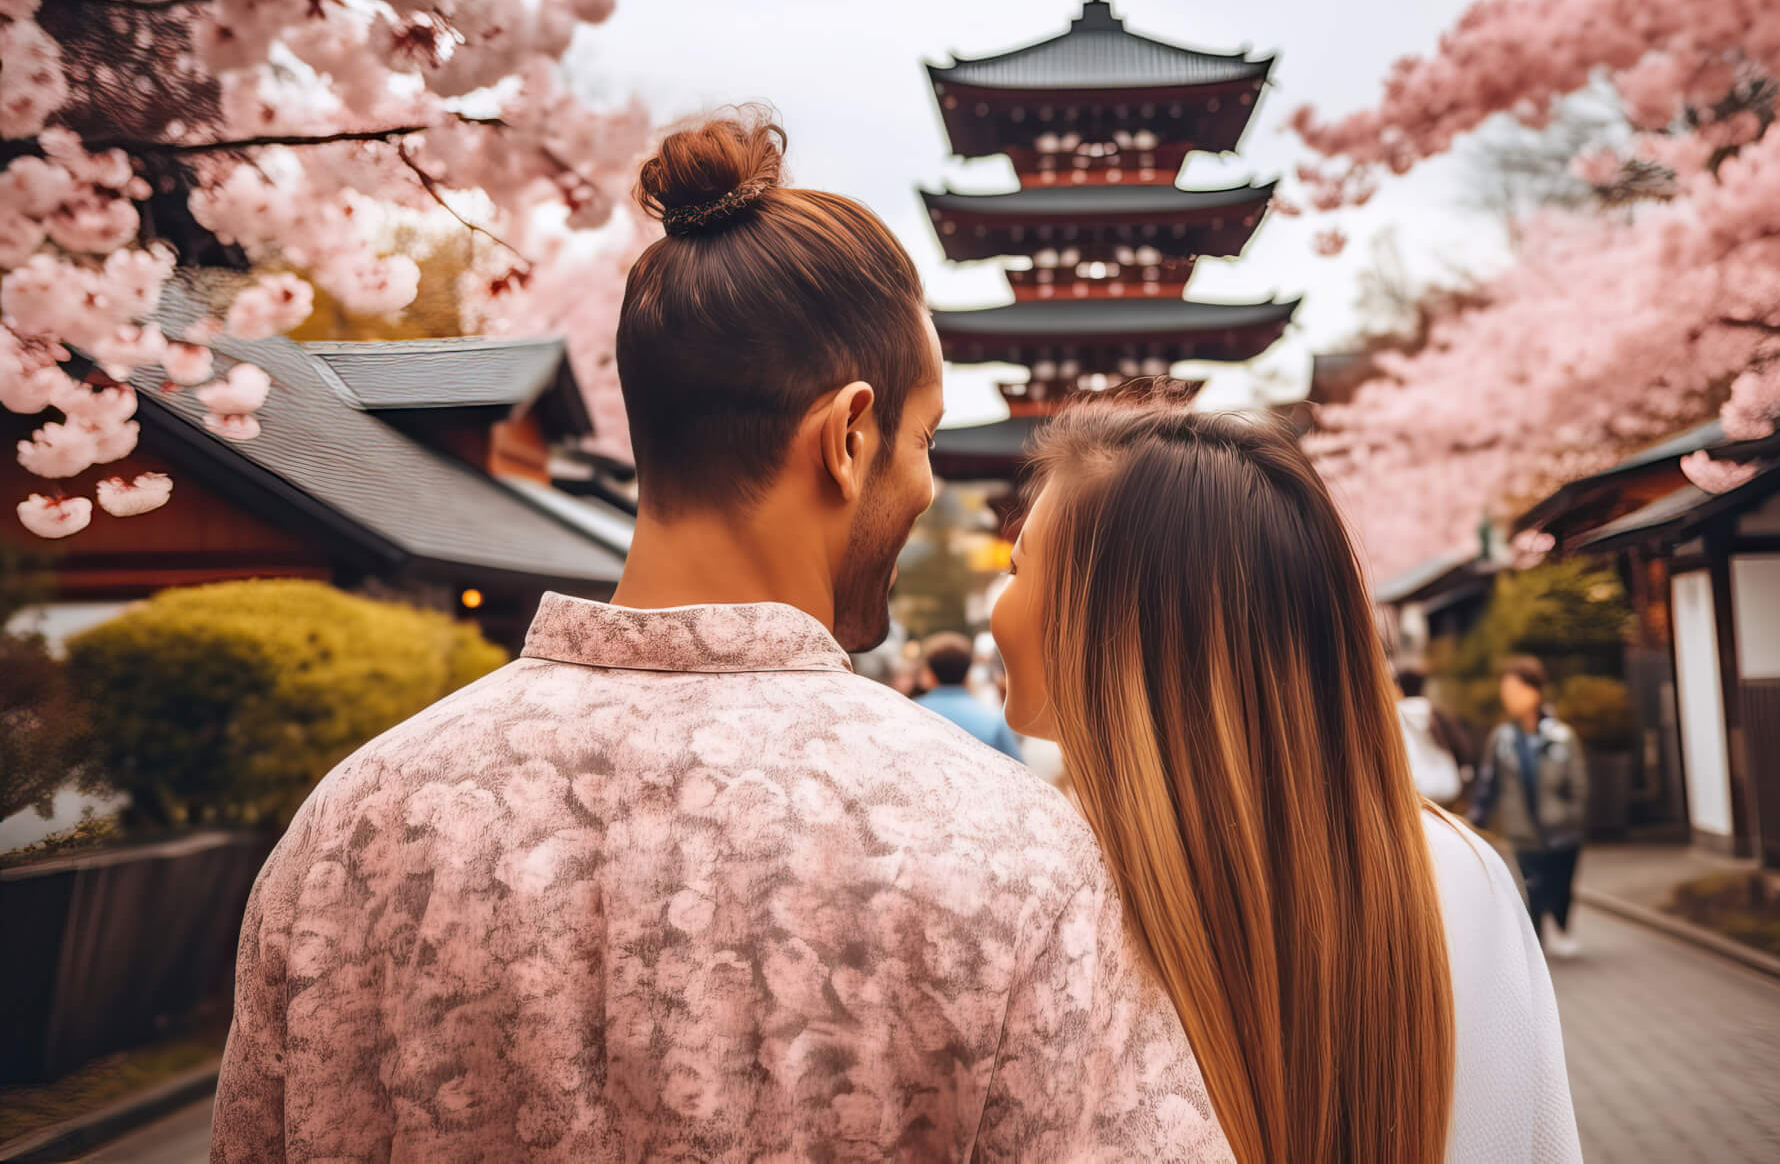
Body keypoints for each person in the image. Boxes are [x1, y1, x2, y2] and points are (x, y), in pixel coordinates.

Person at [211, 111, 1228, 1162]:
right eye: (920, 440)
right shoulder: (1006, 855)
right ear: (847, 436)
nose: (928, 485)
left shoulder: (354, 827)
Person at [991, 395, 1580, 1164]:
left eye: (1016, 567)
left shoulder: (1043, 889)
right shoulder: (1466, 875)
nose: (1000, 605)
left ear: (1111, 620)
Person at [1469, 655, 1590, 961]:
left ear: (1534, 690)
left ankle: (1561, 928)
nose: (1507, 696)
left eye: (1514, 689)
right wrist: (1472, 823)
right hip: (1523, 832)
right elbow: (1487, 784)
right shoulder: (1502, 739)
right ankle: (1536, 950)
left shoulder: (1562, 736)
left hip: (1562, 831)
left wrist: (1572, 818)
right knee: (1531, 891)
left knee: (1561, 887)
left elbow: (1579, 784)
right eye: (1505, 690)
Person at [913, 630, 1025, 761]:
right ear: (968, 674)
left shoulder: (906, 714)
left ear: (929, 675)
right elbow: (1018, 770)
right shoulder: (993, 719)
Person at [1395, 666, 1474, 807]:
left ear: (1398, 688)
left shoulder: (1394, 717)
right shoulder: (1437, 714)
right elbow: (1461, 745)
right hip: (1447, 784)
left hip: (1414, 788)